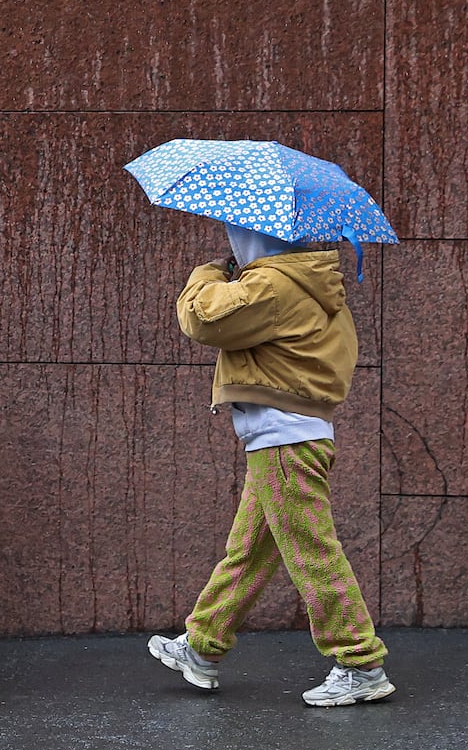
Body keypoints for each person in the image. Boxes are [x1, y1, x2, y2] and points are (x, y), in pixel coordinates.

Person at [148, 223, 394, 707]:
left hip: (284, 443)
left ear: (258, 238)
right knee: (249, 551)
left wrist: (208, 272)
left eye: (236, 232)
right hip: (288, 440)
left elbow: (203, 319)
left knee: (312, 554)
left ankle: (360, 662)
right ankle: (202, 648)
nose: (233, 241)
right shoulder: (312, 285)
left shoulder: (274, 284)